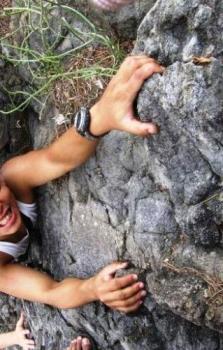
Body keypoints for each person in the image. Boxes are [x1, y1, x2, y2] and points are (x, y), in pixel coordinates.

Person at [0, 56, 164, 312]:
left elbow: (56, 159)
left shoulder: (12, 176)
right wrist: (94, 288)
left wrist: (102, 115)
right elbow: (51, 292)